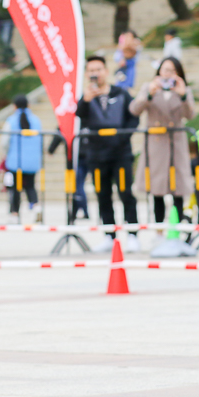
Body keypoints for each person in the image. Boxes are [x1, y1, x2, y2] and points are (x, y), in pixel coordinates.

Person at [76, 56, 140, 253]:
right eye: (91, 70)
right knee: (102, 195)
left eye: (98, 69)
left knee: (125, 193)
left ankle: (132, 234)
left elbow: (133, 118)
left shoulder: (120, 93)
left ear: (105, 71)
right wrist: (85, 101)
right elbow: (79, 117)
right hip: (96, 154)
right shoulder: (86, 97)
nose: (95, 73)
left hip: (120, 154)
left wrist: (122, 137)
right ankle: (109, 236)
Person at [131, 57, 195, 228]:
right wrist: (149, 94)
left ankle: (178, 228)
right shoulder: (149, 88)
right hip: (156, 144)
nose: (167, 74)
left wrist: (182, 96)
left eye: (172, 71)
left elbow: (190, 115)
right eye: (164, 70)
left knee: (178, 188)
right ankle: (159, 230)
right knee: (157, 188)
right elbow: (134, 109)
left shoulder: (183, 90)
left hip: (176, 143)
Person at [0, 95, 42, 223]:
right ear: (28, 105)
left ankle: (14, 213)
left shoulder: (11, 121)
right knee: (30, 186)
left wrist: (5, 154)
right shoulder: (36, 120)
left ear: (14, 106)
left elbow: (4, 142)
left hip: (15, 161)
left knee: (15, 188)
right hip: (32, 161)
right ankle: (35, 207)